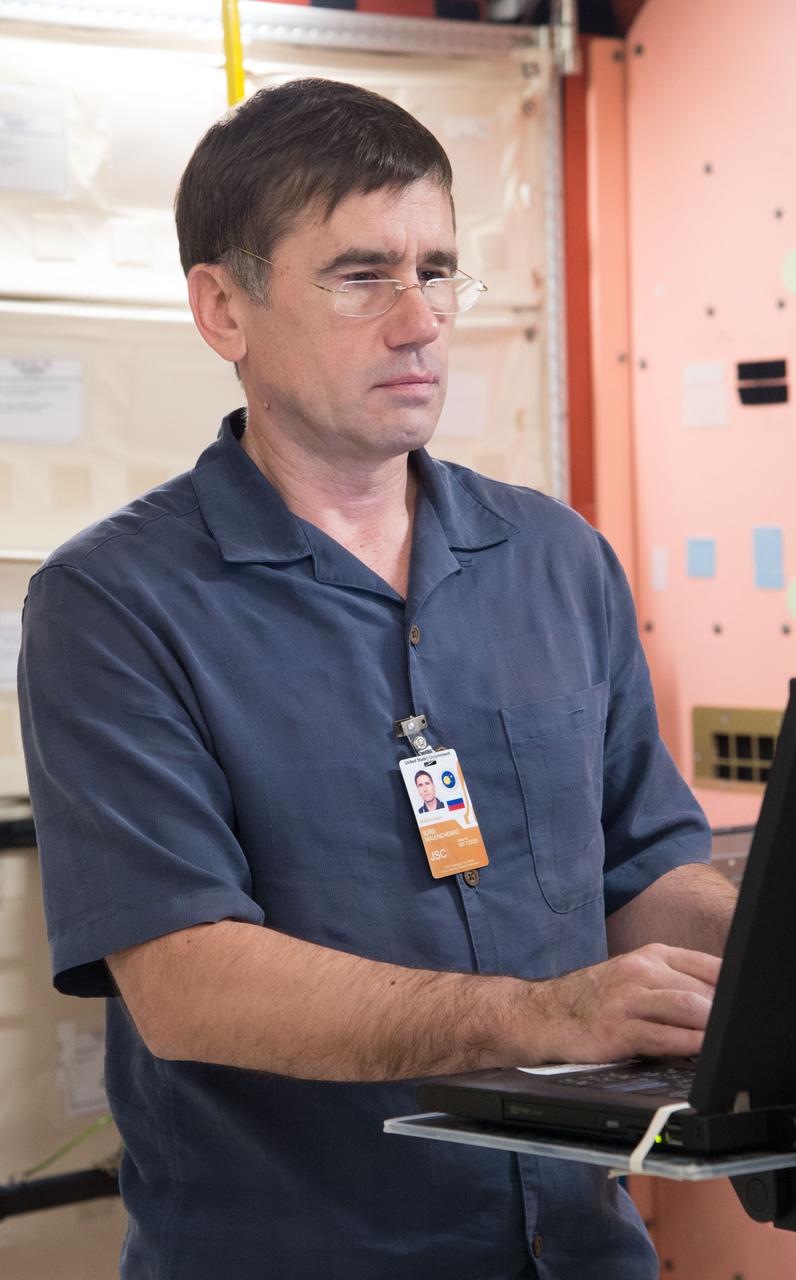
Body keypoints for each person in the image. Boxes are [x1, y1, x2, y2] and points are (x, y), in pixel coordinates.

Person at [18, 78, 737, 1280]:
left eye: (439, 269)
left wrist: (790, 945)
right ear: (222, 307)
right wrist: (542, 1015)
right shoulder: (115, 603)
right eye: (361, 275)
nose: (419, 321)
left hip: (582, 1248)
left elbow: (635, 873)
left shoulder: (555, 558)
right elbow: (190, 981)